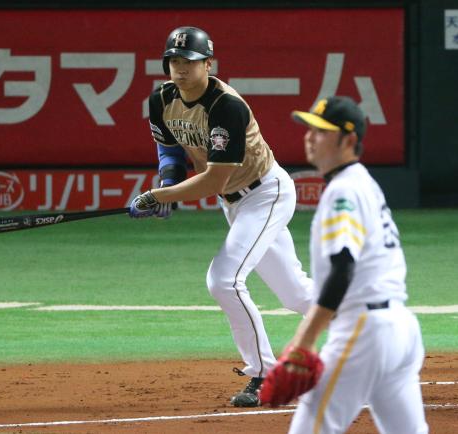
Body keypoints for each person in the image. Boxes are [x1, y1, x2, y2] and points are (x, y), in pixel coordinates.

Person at [129, 26, 313, 407]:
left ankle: (263, 373)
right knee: (295, 293)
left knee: (224, 280)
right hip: (236, 203)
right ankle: (371, 324)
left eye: (190, 62)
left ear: (207, 64)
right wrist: (167, 186)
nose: (181, 69)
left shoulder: (226, 105)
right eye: (175, 61)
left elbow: (214, 179)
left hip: (266, 194)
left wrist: (154, 196)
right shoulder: (161, 99)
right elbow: (170, 154)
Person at [273, 96, 428, 433]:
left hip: (364, 331)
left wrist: (304, 339)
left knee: (311, 427)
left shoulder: (343, 192)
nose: (310, 137)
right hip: (401, 330)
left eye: (322, 131)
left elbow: (344, 267)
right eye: (310, 129)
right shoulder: (365, 184)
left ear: (349, 140)